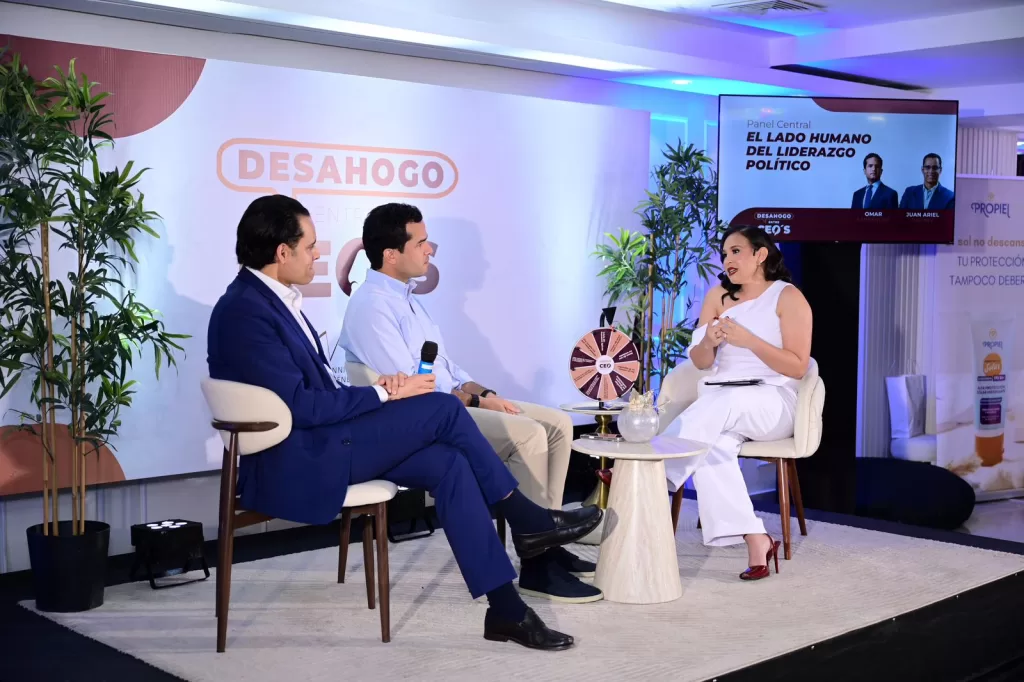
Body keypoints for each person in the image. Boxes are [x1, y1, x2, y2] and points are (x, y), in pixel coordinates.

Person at [206, 194, 602, 650]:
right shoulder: (244, 312)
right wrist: (381, 392)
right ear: (282, 252)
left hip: (326, 440)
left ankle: (506, 610)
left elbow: (318, 393)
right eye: (311, 246)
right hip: (302, 458)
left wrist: (384, 390)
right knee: (445, 408)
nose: (318, 254)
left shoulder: (269, 301)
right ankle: (528, 520)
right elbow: (301, 407)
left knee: (449, 464)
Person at [338, 203, 601, 604]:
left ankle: (545, 540)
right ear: (391, 254)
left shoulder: (409, 298)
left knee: (557, 424)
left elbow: (447, 366)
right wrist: (476, 399)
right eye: (422, 242)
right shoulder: (371, 306)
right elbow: (416, 387)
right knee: (527, 435)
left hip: (454, 402)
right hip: (422, 420)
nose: (430, 251)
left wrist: (488, 394)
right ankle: (538, 563)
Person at [661, 225, 812, 580]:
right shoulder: (717, 296)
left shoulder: (788, 297)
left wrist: (748, 340)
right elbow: (699, 363)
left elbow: (799, 365)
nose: (727, 259)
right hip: (719, 403)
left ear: (761, 255)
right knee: (713, 448)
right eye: (725, 253)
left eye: (736, 251)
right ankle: (757, 538)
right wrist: (709, 342)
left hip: (772, 401)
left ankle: (654, 473)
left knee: (720, 403)